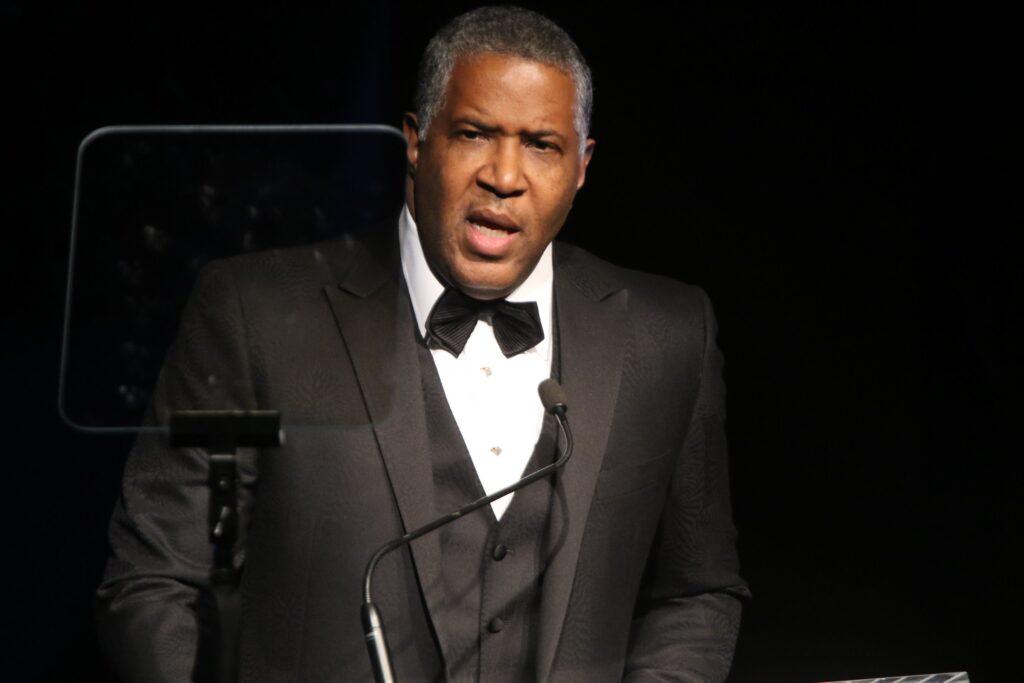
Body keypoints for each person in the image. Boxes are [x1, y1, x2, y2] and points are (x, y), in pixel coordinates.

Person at [96, 6, 749, 682]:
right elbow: (155, 579)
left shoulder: (669, 335)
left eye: (542, 145)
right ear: (416, 140)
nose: (505, 174)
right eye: (474, 133)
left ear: (582, 166)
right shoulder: (253, 314)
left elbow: (696, 592)